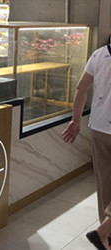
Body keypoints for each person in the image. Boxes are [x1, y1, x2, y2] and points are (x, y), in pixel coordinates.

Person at [62, 42, 111, 250]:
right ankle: (104, 231)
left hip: (100, 128)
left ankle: (106, 235)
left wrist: (76, 120)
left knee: (105, 183)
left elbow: (81, 87)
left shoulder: (99, 55)